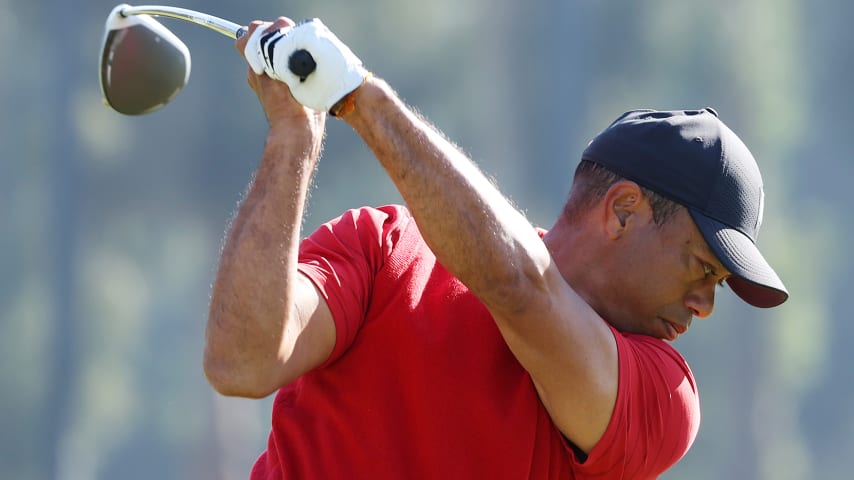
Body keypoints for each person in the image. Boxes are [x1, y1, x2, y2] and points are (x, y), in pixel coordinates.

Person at [203, 18, 789, 479]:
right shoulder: (385, 246)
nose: (706, 305)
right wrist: (293, 139)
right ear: (623, 210)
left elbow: (519, 289)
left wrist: (360, 97)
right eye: (702, 268)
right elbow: (242, 361)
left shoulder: (664, 393)